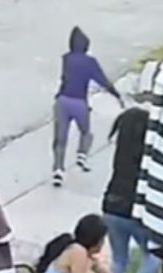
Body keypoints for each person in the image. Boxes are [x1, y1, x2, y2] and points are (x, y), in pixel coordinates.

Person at [52, 26, 122, 188]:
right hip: (79, 103)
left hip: (62, 101)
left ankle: (58, 170)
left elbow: (64, 78)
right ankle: (82, 154)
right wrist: (116, 94)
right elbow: (102, 81)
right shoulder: (90, 62)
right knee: (86, 132)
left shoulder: (66, 59)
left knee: (60, 139)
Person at [102, 107, 162, 273]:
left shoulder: (122, 149)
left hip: (111, 206)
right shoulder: (147, 155)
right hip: (134, 210)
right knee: (155, 254)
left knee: (119, 259)